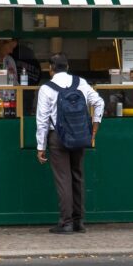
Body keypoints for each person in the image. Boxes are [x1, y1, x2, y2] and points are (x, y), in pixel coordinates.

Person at [36, 53, 103, 234]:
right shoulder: (80, 82)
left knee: (63, 179)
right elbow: (99, 102)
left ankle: (66, 223)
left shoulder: (46, 88)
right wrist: (94, 128)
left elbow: (42, 120)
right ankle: (79, 222)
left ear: (51, 69)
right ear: (68, 66)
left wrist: (40, 147)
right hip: (80, 135)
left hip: (57, 137)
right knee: (77, 176)